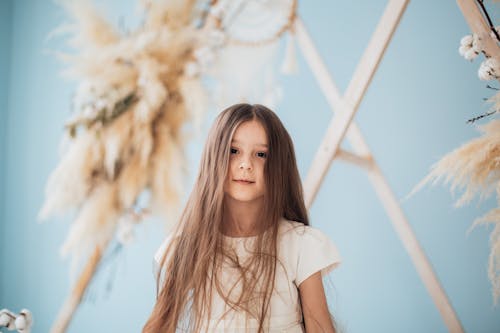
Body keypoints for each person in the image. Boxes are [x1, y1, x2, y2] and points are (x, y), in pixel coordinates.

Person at [143, 103, 341, 332]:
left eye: (261, 154)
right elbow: (159, 325)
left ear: (279, 165)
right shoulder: (189, 245)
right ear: (213, 157)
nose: (246, 164)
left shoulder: (300, 245)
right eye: (234, 151)